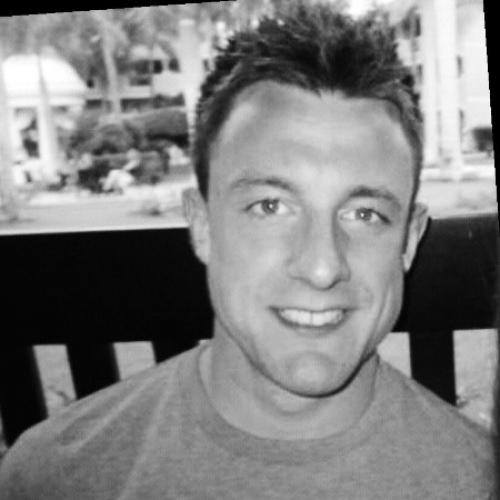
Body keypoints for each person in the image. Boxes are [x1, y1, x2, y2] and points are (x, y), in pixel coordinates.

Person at [0, 4, 494, 499]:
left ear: (408, 240)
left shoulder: (477, 482)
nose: (322, 267)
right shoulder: (53, 477)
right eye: (270, 206)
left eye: (365, 214)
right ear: (202, 225)